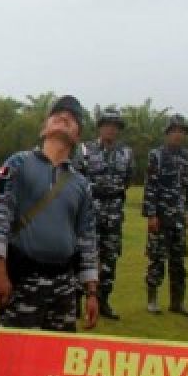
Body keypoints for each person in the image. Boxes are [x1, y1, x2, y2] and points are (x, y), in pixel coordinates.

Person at [0, 96, 99, 376]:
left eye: (72, 118)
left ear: (77, 134)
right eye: (57, 114)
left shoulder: (80, 184)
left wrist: (91, 291)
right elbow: (0, 216)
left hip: (63, 287)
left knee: (54, 368)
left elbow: (87, 238)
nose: (64, 119)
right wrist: (0, 270)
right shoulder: (19, 164)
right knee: (11, 363)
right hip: (23, 279)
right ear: (45, 126)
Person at [73, 107, 132, 320]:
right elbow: (75, 181)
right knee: (83, 256)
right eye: (107, 125)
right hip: (89, 213)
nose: (111, 130)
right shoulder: (85, 150)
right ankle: (77, 301)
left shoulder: (126, 153)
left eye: (115, 126)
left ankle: (104, 301)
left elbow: (126, 182)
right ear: (100, 127)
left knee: (110, 258)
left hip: (114, 214)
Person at [143, 113, 188, 317]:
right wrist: (151, 214)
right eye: (174, 131)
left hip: (179, 219)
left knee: (178, 262)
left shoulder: (187, 156)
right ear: (167, 133)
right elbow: (150, 186)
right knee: (156, 259)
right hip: (160, 216)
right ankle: (152, 301)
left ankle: (178, 302)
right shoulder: (156, 155)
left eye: (182, 131)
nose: (178, 135)